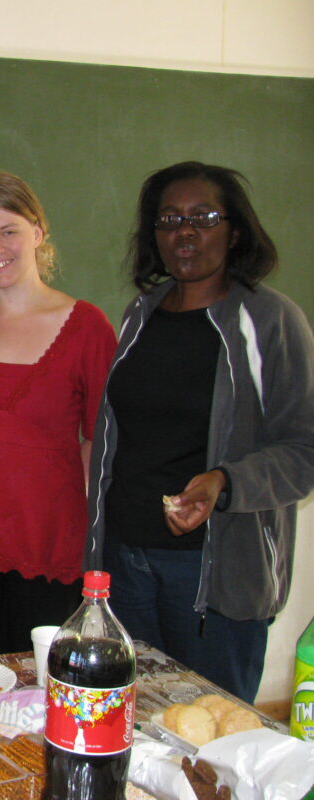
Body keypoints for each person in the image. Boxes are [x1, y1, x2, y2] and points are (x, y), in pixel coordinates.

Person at [85, 161, 314, 702]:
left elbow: (304, 449)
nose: (184, 231)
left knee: (212, 735)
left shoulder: (271, 321)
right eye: (169, 219)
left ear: (234, 231)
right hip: (125, 563)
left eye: (203, 217)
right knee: (132, 725)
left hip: (215, 573)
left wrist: (224, 481)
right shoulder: (140, 314)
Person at [0, 172, 116, 655]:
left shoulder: (87, 327)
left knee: (42, 694)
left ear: (37, 232)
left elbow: (100, 442)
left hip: (51, 551)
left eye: (8, 231)